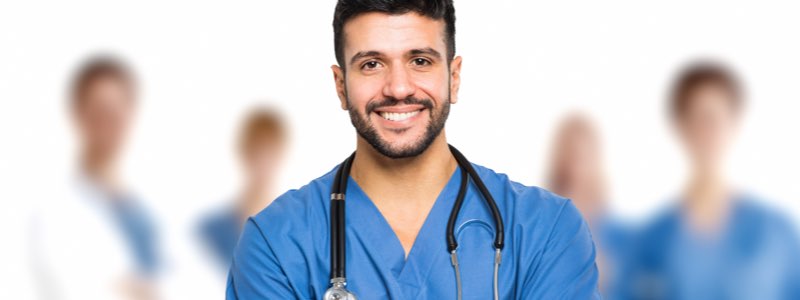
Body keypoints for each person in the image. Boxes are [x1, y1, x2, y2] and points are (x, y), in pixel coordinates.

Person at [226, 1, 599, 299]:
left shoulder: (546, 230)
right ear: (341, 86)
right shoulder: (275, 242)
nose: (399, 87)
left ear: (453, 77)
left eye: (420, 61)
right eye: (371, 64)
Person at [623, 61, 800, 299]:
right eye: (699, 119)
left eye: (716, 118)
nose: (709, 131)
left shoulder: (776, 235)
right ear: (681, 127)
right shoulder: (652, 242)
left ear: (734, 123)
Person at [30, 56, 160, 300]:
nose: (110, 122)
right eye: (100, 111)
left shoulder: (144, 209)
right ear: (78, 114)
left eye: (118, 110)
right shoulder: (54, 214)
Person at [546, 112, 631, 299]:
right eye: (571, 154)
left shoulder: (617, 233)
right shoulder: (545, 221)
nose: (576, 165)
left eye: (584, 155)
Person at [198, 107, 287, 268]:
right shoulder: (211, 231)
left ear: (280, 155)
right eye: (257, 149)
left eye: (270, 151)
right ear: (244, 151)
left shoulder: (291, 232)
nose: (263, 160)